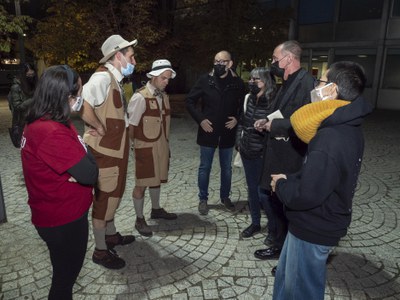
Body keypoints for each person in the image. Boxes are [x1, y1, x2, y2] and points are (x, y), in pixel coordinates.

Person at [270, 61, 372, 299]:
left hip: (313, 226)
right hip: (312, 223)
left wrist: (281, 185)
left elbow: (307, 194)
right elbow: (321, 174)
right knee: (287, 284)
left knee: (301, 291)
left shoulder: (330, 137)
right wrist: (291, 177)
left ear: (332, 90)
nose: (316, 86)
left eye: (321, 81)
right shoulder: (346, 125)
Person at [21, 65, 98, 300]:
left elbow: (84, 163)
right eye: (78, 93)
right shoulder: (52, 131)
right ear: (64, 96)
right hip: (64, 220)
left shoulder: (50, 120)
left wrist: (82, 161)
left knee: (62, 272)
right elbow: (91, 173)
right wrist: (83, 161)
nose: (80, 99)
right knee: (64, 282)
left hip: (57, 214)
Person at [253, 40, 315, 259]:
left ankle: (286, 252)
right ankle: (279, 244)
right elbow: (282, 112)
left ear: (289, 58)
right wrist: (265, 121)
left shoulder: (307, 83)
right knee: (270, 197)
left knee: (284, 203)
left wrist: (275, 125)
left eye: (275, 58)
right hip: (275, 151)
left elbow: (307, 121)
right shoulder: (285, 82)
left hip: (291, 156)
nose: (273, 63)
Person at [81, 34, 137, 269]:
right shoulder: (101, 78)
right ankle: (100, 250)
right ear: (117, 57)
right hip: (105, 154)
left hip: (115, 152)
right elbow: (82, 105)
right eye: (131, 56)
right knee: (104, 200)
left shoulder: (114, 80)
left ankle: (111, 235)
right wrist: (97, 125)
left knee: (114, 194)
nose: (134, 61)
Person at [186, 50, 246, 215]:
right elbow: (190, 101)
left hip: (227, 132)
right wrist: (200, 119)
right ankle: (203, 199)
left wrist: (237, 119)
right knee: (205, 167)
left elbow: (245, 104)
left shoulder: (237, 82)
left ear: (230, 63)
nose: (219, 64)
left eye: (223, 62)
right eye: (216, 61)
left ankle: (225, 197)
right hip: (208, 132)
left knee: (226, 168)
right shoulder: (205, 80)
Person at [127, 59, 177, 237]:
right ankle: (139, 219)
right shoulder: (140, 97)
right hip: (145, 147)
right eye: (164, 78)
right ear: (154, 76)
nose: (166, 82)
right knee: (142, 184)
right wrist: (135, 147)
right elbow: (131, 126)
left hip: (162, 144)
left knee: (157, 178)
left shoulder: (163, 96)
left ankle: (156, 209)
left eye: (168, 79)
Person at [236, 67, 277, 238]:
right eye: (251, 79)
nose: (251, 82)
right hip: (247, 152)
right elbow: (241, 122)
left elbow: (277, 128)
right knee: (252, 190)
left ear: (266, 82)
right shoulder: (248, 98)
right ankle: (255, 223)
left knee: (265, 192)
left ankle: (274, 227)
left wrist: (265, 130)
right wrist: (239, 142)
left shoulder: (274, 101)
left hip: (264, 154)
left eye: (256, 80)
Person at [8, 63, 38, 148]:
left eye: (32, 74)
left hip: (35, 120)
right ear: (23, 75)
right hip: (22, 122)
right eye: (28, 75)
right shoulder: (16, 87)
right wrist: (33, 99)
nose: (31, 77)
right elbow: (17, 106)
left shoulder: (35, 84)